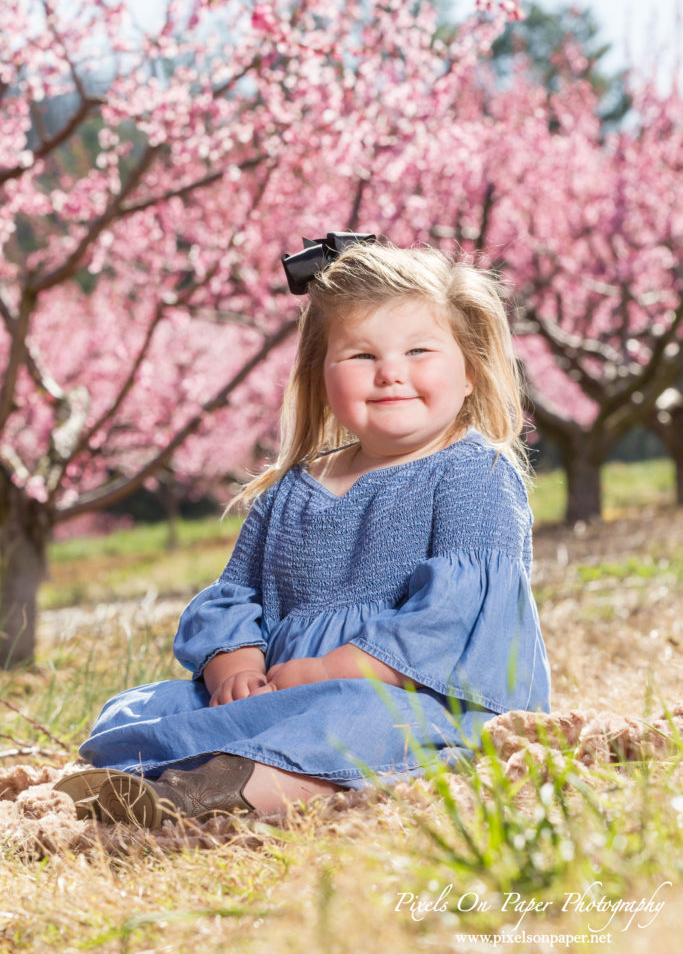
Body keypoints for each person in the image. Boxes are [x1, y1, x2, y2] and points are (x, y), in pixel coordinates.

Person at [54, 234, 550, 828]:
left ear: (470, 372)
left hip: (414, 694)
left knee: (356, 720)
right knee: (136, 709)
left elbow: (456, 619)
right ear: (321, 378)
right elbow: (236, 596)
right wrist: (234, 667)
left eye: (420, 351)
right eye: (361, 356)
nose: (390, 373)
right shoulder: (293, 488)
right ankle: (166, 778)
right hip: (277, 692)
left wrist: (325, 670)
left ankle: (217, 792)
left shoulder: (472, 471)